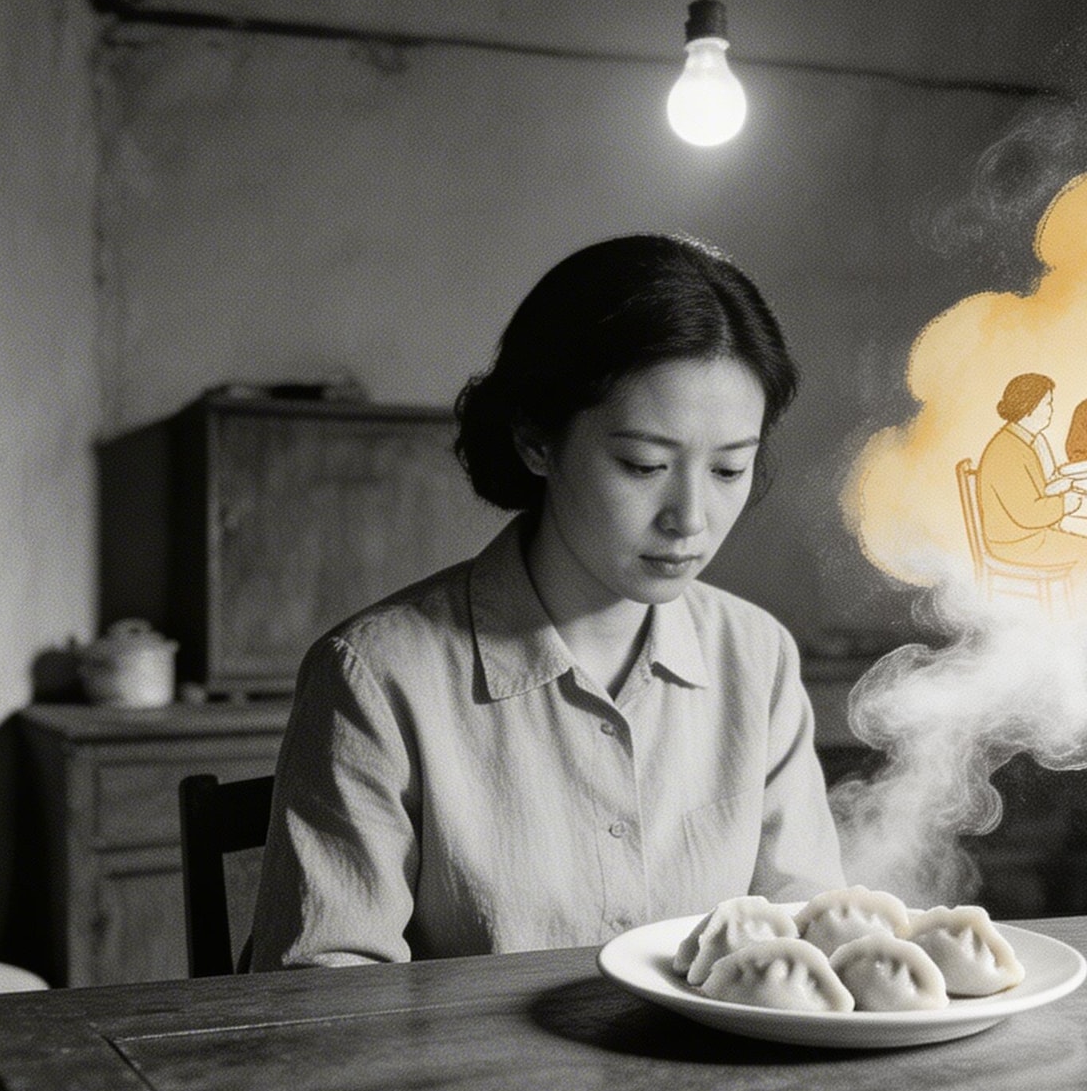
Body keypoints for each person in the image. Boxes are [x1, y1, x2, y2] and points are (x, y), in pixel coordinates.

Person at [249, 234, 845, 968]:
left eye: (729, 469)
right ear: (537, 439)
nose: (690, 517)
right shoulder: (378, 674)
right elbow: (324, 994)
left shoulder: (757, 658)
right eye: (644, 464)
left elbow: (806, 936)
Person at [976, 373, 1087, 608]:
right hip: (1017, 544)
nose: (1051, 410)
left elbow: (1032, 494)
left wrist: (1061, 490)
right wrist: (1064, 503)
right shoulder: (1007, 451)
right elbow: (1028, 513)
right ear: (1029, 408)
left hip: (1024, 536)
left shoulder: (1020, 441)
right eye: (1047, 404)